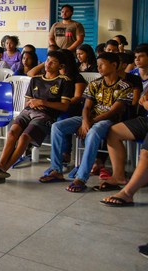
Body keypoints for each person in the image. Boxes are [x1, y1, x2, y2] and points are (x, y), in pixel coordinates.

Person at [41, 52, 132, 192]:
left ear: (114, 65)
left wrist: (90, 122)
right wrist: (85, 121)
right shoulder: (94, 83)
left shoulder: (125, 86)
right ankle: (56, 170)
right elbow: (87, 106)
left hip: (109, 121)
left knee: (93, 131)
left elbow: (113, 111)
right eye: (98, 64)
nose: (99, 68)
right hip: (89, 118)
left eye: (102, 64)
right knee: (57, 127)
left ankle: (81, 178)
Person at [0, 51, 75, 182]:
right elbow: (27, 101)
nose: (48, 64)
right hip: (28, 111)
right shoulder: (36, 79)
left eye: (53, 62)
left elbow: (64, 106)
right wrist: (34, 103)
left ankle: (3, 169)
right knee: (12, 133)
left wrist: (43, 102)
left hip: (46, 116)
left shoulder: (64, 81)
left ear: (60, 66)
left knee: (24, 137)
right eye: (47, 60)